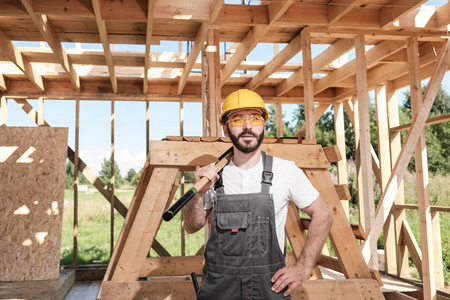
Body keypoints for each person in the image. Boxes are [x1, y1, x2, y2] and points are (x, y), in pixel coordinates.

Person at [183, 89, 333, 299]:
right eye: (237, 119)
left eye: (255, 118)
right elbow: (191, 227)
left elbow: (323, 215)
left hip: (269, 289)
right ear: (226, 130)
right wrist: (198, 195)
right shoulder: (211, 174)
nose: (247, 126)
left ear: (263, 125)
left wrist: (303, 268)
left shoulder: (286, 171)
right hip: (219, 290)